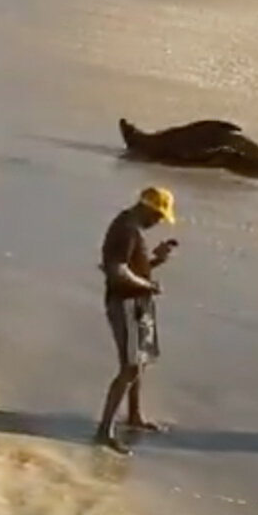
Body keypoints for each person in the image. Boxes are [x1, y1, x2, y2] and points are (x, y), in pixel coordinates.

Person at [93, 187, 178, 455]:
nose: (158, 222)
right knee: (130, 366)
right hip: (126, 303)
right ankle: (104, 431)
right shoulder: (126, 230)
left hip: (135, 302)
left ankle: (134, 416)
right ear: (148, 208)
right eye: (158, 216)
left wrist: (156, 260)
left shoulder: (129, 228)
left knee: (138, 362)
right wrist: (149, 286)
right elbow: (116, 271)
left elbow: (130, 266)